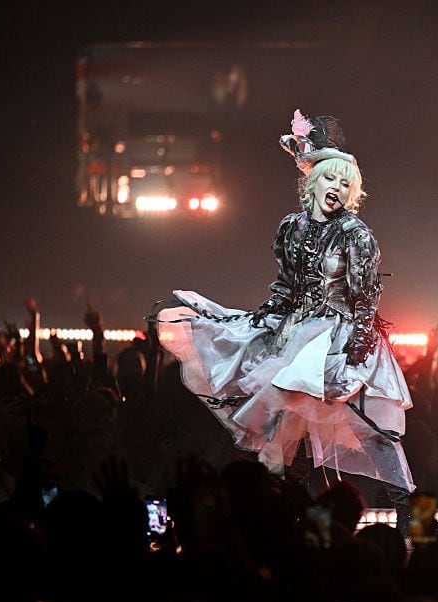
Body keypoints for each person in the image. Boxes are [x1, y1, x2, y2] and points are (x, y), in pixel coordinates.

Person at [152, 109, 415, 533]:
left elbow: (366, 294)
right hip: (297, 336)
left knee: (374, 432)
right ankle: (282, 525)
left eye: (347, 183)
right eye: (331, 178)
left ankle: (410, 525)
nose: (339, 189)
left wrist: (360, 344)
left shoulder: (355, 233)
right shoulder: (290, 228)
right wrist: (260, 323)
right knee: (285, 430)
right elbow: (285, 288)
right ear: (312, 180)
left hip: (344, 337)